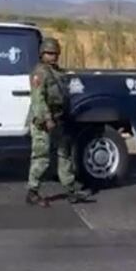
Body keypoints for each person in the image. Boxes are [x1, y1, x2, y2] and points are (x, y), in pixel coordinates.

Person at [25, 37, 92, 206]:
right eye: (49, 53)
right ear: (42, 54)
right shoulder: (39, 73)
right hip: (43, 122)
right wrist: (47, 119)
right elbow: (38, 99)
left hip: (58, 119)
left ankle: (70, 190)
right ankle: (32, 192)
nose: (53, 56)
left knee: (64, 155)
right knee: (41, 157)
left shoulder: (58, 73)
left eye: (55, 53)